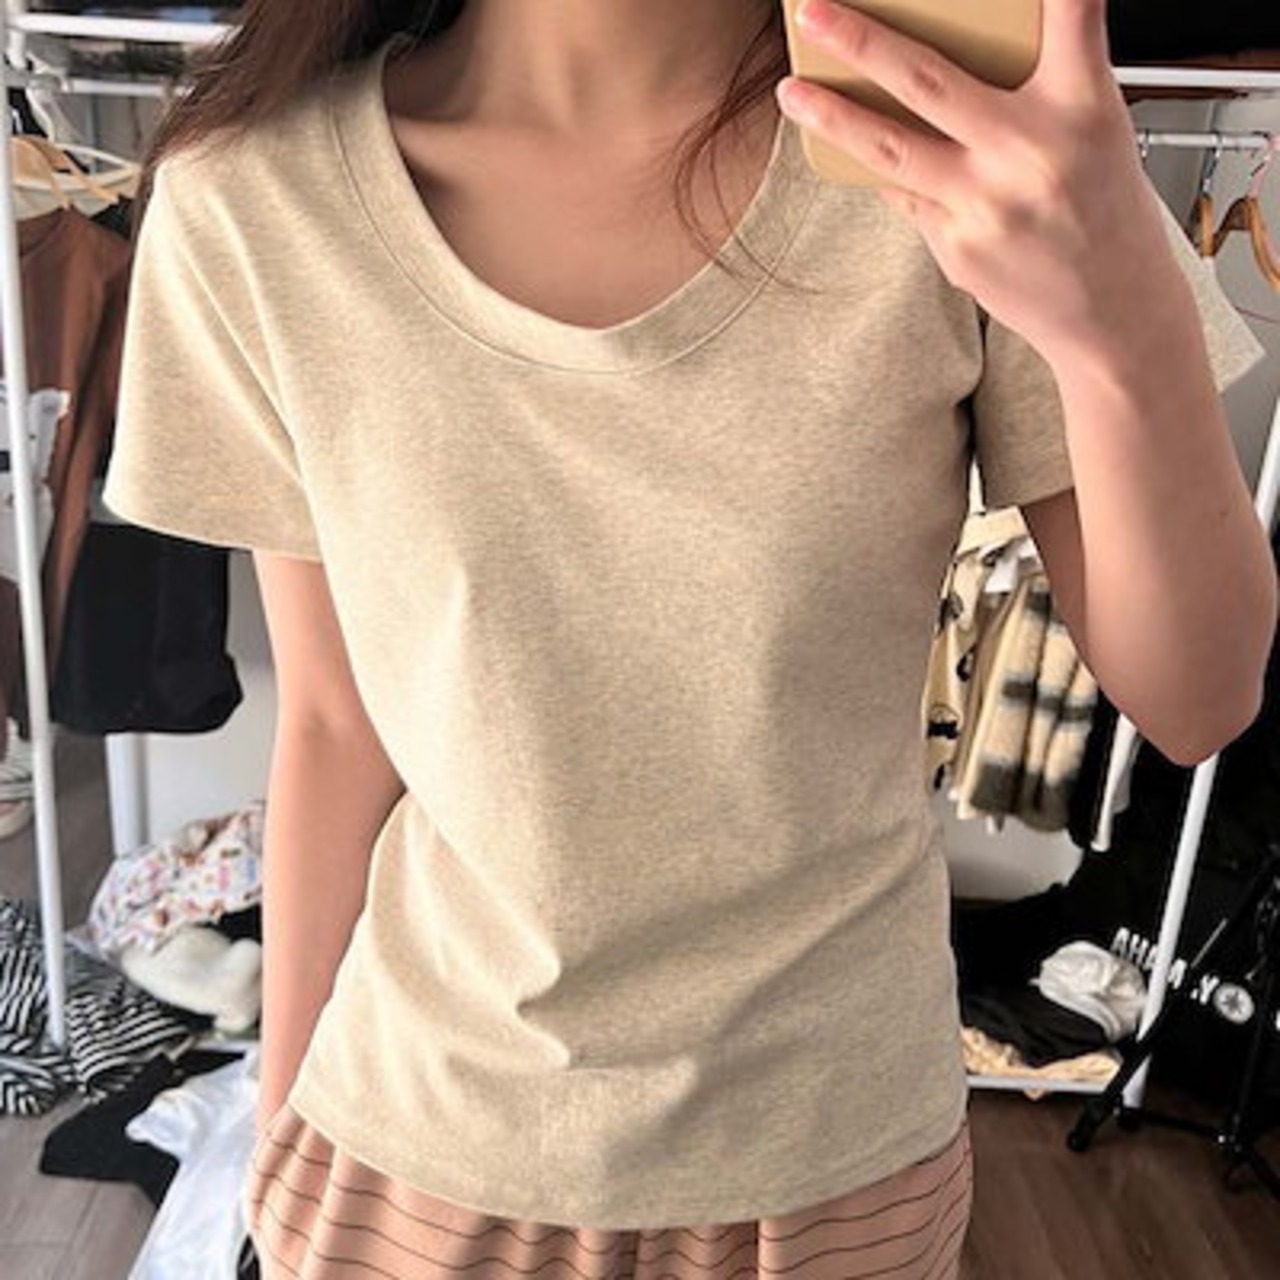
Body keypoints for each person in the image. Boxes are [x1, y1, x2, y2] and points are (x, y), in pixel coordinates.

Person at [102, 1, 1275, 1276]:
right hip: (407, 1158)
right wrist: (277, 1139)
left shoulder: (962, 164)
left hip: (833, 1165)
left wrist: (1123, 322)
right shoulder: (253, 199)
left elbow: (1199, 696)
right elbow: (338, 724)